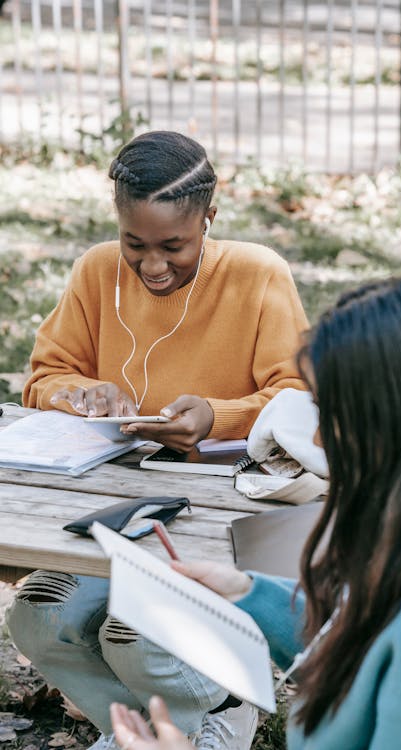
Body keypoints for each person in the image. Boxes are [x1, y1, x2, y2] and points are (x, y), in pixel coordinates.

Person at [7, 130, 308, 750]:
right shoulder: (96, 272)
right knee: (39, 616)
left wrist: (218, 415)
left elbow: (300, 400)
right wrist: (80, 393)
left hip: (219, 514)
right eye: (134, 244)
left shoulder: (257, 276)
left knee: (135, 633)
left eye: (175, 245)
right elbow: (43, 377)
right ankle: (181, 734)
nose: (152, 265)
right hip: (110, 505)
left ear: (210, 220)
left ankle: (220, 703)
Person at [110, 276, 401, 750]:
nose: (317, 440)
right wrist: (248, 595)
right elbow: (363, 633)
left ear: (389, 420)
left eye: (327, 411)